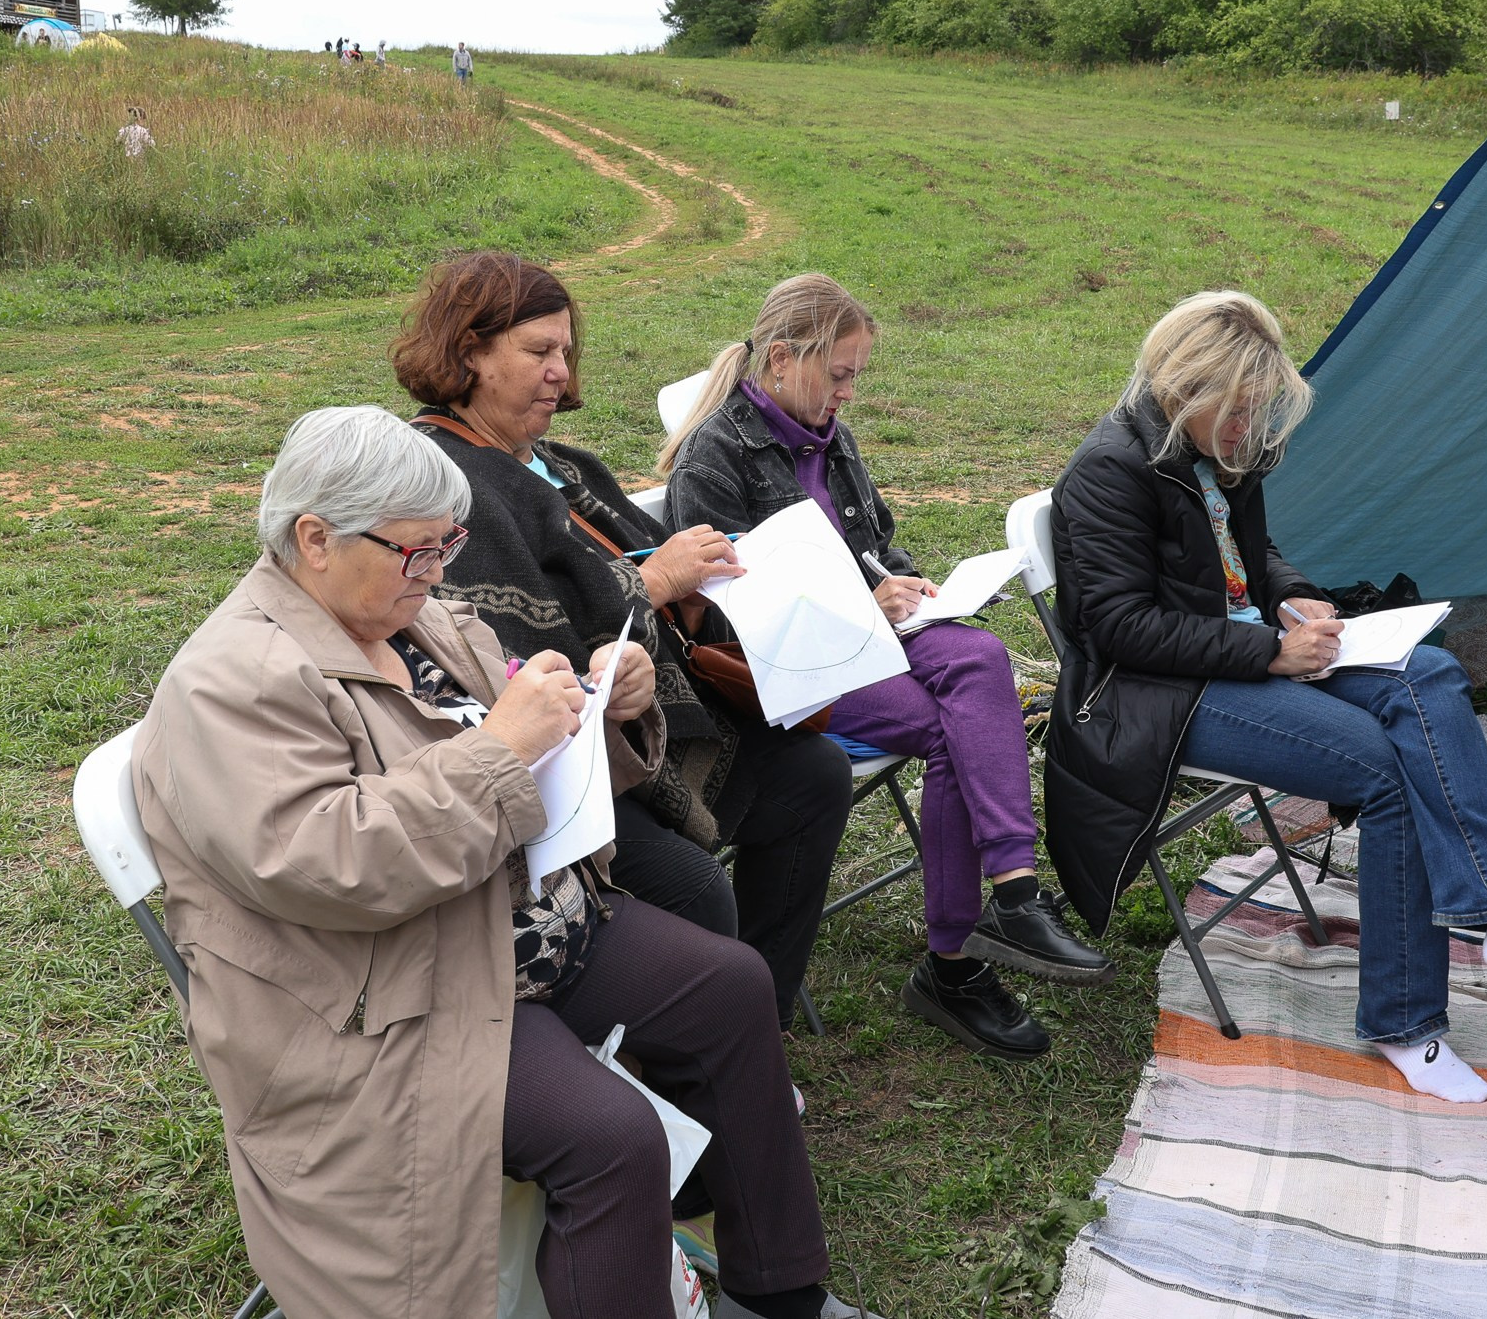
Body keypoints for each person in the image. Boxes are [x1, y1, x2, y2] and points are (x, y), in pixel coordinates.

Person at [132, 406, 886, 1319]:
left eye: (445, 543)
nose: (440, 571)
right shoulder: (232, 679)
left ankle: (779, 1291)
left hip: (512, 927)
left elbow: (534, 773)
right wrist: (501, 743)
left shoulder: (421, 618)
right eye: (416, 551)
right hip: (395, 993)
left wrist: (601, 715)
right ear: (315, 539)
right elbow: (334, 861)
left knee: (729, 985)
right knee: (614, 1137)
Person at [1050, 291, 1487, 1101]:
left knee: (1430, 673)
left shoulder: (1224, 452)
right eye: (1234, 410)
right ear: (1182, 387)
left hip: (1247, 653)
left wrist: (1296, 598)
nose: (1246, 429)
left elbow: (1252, 554)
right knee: (1384, 764)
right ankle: (1410, 1024)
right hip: (1162, 695)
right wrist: (1270, 649)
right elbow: (1119, 628)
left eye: (1258, 411)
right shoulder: (1108, 472)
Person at [393, 251, 854, 1028]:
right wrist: (655, 584)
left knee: (814, 775)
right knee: (694, 887)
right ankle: (689, 1057)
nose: (559, 371)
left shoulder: (558, 464)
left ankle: (755, 1026)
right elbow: (493, 653)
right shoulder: (443, 479)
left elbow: (642, 562)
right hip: (566, 768)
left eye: (565, 350)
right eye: (538, 351)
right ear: (468, 352)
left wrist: (700, 593)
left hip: (659, 732)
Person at [661, 273, 1110, 1060]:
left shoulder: (829, 439)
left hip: (869, 636)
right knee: (954, 726)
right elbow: (736, 615)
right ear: (779, 358)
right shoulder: (715, 455)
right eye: (839, 373)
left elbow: (876, 543)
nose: (849, 392)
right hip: (793, 669)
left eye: (856, 374)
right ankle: (957, 962)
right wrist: (870, 597)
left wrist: (903, 581)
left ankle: (1012, 894)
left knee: (980, 653)